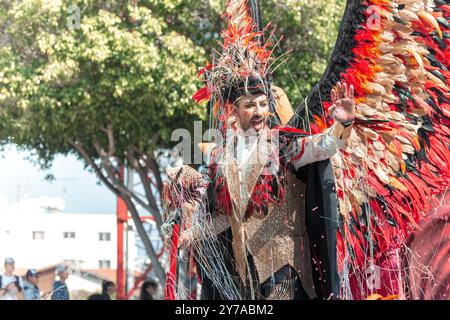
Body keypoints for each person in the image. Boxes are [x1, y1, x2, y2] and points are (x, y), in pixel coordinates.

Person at [163, 1, 355, 301]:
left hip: (286, 269)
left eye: (263, 104)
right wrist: (191, 234)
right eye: (250, 105)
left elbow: (324, 147)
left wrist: (342, 124)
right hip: (244, 273)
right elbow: (228, 216)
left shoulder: (284, 143)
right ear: (234, 110)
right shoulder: (223, 158)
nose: (258, 111)